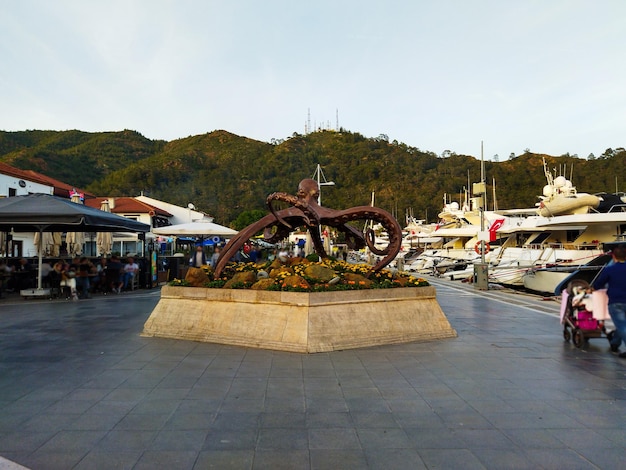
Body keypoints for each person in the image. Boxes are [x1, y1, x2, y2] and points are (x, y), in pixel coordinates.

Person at [592, 243, 626, 358]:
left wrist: (590, 289)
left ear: (614, 257)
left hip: (616, 302)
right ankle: (614, 343)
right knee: (621, 324)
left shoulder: (610, 270)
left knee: (621, 325)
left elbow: (598, 284)